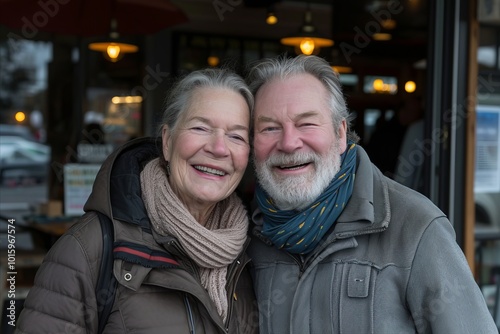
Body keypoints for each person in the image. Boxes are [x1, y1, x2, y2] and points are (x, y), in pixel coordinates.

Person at [245, 55, 497, 333]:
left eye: (307, 124)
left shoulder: (417, 228)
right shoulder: (248, 233)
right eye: (269, 128)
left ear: (340, 134)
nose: (289, 143)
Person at [15, 68, 259, 333]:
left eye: (236, 136)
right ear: (167, 141)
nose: (219, 148)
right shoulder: (89, 249)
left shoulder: (250, 253)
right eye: (201, 127)